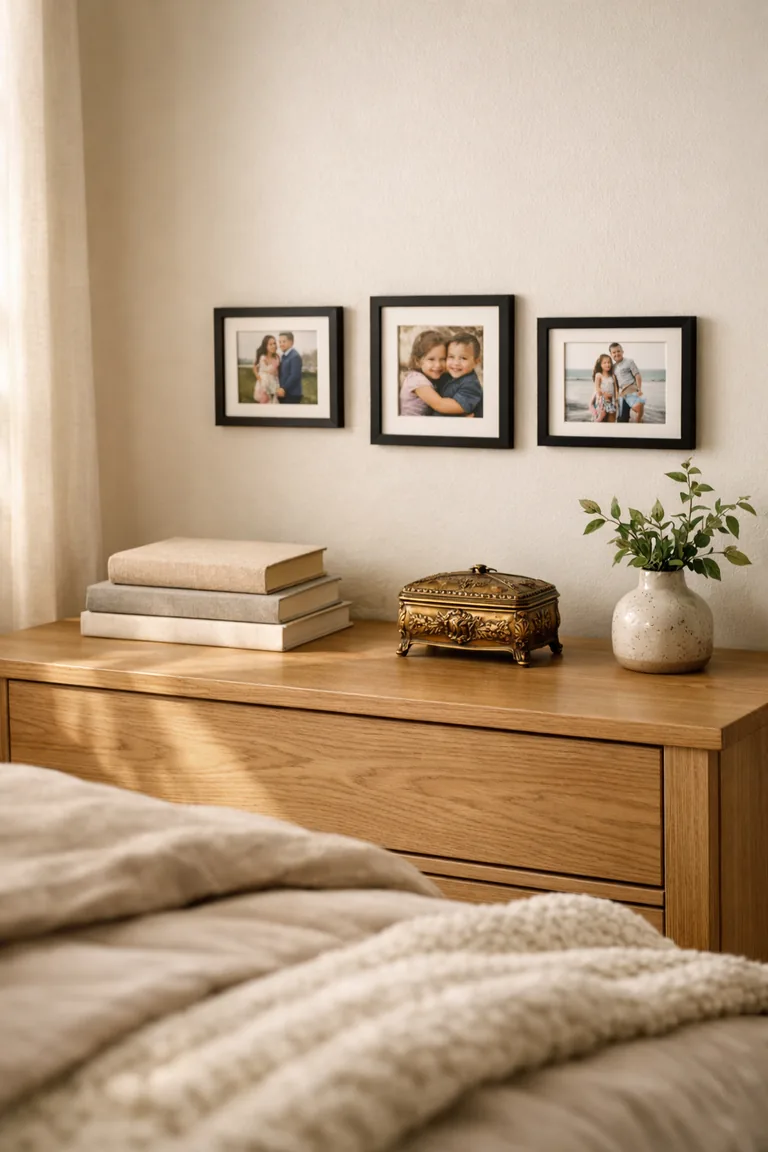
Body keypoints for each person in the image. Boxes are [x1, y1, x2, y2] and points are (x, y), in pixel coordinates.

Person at [398, 330, 472, 416]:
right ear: (418, 361)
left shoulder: (430, 376)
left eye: (443, 359)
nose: (438, 365)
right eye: (431, 359)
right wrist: (466, 406)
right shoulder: (417, 380)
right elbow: (440, 405)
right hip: (411, 426)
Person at [432, 332, 483, 418]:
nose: (456, 363)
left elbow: (446, 407)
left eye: (463, 358)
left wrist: (424, 393)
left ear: (476, 362)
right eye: (451, 357)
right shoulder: (446, 375)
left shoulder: (471, 385)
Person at [611, 342, 644, 423]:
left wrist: (639, 389)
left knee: (638, 407)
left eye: (618, 351)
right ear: (611, 354)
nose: (616, 354)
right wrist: (616, 396)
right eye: (614, 352)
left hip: (631, 388)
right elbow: (616, 383)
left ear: (622, 351)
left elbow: (637, 375)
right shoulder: (613, 367)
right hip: (621, 393)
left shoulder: (629, 361)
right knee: (622, 418)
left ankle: (639, 420)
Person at [589, 354, 618, 422]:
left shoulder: (612, 376)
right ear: (600, 365)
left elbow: (615, 389)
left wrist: (616, 400)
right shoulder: (599, 375)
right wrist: (604, 394)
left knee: (612, 419)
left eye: (609, 362)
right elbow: (597, 388)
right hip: (602, 400)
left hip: (611, 401)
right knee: (602, 418)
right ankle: (597, 419)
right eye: (604, 363)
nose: (607, 364)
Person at [276, 332, 303, 405]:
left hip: (292, 394)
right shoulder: (284, 356)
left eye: (284, 341)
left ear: (291, 342)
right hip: (284, 393)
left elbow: (295, 376)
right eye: (280, 342)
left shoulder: (295, 356)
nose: (281, 344)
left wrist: (283, 389)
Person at [252, 335, 280, 404]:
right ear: (266, 346)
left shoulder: (276, 357)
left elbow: (277, 372)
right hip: (263, 384)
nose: (273, 346)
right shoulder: (262, 357)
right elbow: (254, 368)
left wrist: (275, 373)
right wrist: (259, 379)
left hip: (273, 383)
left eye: (274, 343)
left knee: (273, 402)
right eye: (270, 344)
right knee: (264, 402)